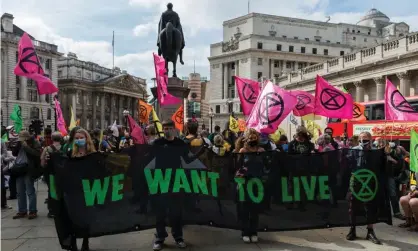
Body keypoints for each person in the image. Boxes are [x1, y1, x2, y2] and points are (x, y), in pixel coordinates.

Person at [152, 120, 198, 250]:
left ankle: (178, 237)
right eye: (165, 128)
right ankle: (160, 238)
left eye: (169, 128)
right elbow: (148, 157)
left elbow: (187, 160)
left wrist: (200, 152)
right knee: (160, 211)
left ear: (174, 129)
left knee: (176, 211)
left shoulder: (180, 143)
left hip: (176, 180)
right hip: (160, 180)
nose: (167, 130)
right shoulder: (157, 143)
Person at [346, 131, 381, 244]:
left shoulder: (375, 152)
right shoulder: (354, 150)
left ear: (370, 140)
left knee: (370, 206)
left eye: (365, 139)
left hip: (370, 182)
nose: (363, 141)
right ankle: (352, 229)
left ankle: (370, 231)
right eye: (361, 139)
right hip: (356, 181)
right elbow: (348, 164)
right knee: (352, 205)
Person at [69, 128, 96, 251]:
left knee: (86, 217)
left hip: (88, 189)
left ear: (86, 139)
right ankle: (73, 242)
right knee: (72, 216)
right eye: (77, 138)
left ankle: (85, 242)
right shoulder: (70, 153)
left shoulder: (92, 153)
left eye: (81, 138)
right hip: (74, 189)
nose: (79, 140)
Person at [237, 128, 265, 243]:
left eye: (255, 136)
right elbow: (238, 166)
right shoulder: (243, 150)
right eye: (251, 136)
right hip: (245, 182)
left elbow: (265, 166)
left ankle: (254, 231)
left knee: (255, 209)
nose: (253, 138)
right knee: (245, 208)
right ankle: (245, 231)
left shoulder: (261, 150)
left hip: (257, 182)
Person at [11, 131, 42, 220]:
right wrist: (17, 145)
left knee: (30, 190)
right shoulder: (19, 143)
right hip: (19, 168)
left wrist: (26, 147)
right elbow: (14, 154)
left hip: (29, 168)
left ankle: (32, 210)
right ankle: (22, 210)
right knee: (20, 192)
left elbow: (37, 153)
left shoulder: (34, 142)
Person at [40, 132, 62, 218]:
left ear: (52, 139)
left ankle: (52, 210)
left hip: (50, 173)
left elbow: (42, 163)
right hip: (62, 173)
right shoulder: (64, 148)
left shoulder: (47, 149)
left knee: (51, 191)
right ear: (61, 139)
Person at [1, 131, 14, 209]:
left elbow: (4, 154)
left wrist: (1, 157)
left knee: (2, 187)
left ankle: (3, 203)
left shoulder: (1, 142)